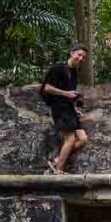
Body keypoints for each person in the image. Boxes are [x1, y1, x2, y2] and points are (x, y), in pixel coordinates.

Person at [41, 44, 89, 174]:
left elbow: (71, 92)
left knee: (83, 139)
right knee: (70, 139)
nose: (80, 58)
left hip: (69, 108)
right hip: (59, 108)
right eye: (79, 55)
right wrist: (66, 94)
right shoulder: (58, 68)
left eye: (83, 57)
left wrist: (74, 108)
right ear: (71, 53)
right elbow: (47, 88)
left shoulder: (73, 72)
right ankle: (59, 170)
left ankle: (57, 159)